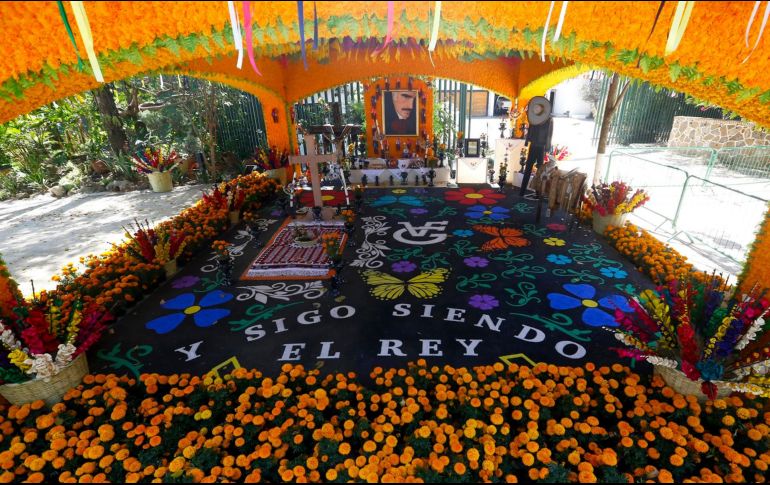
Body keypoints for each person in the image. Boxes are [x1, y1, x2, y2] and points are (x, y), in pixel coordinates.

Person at [519, 99, 553, 197]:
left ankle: (539, 193)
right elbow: (530, 130)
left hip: (541, 147)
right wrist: (526, 141)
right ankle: (522, 191)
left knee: (540, 170)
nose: (535, 109)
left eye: (537, 108)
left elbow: (549, 134)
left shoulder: (549, 119)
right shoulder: (533, 118)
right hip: (533, 145)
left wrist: (547, 147)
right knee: (528, 168)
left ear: (542, 109)